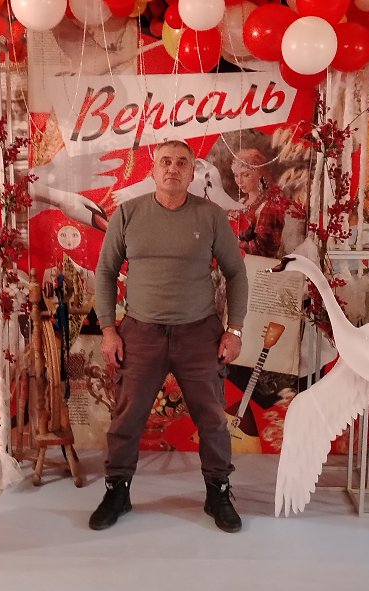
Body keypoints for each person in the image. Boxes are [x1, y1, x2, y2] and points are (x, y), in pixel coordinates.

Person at [90, 139, 248, 533]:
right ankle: (117, 491)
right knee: (126, 417)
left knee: (212, 419)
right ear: (153, 170)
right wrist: (108, 329)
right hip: (141, 333)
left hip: (200, 334)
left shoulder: (211, 216)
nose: (172, 169)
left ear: (193, 172)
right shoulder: (128, 214)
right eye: (165, 162)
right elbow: (105, 272)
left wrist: (234, 330)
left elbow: (236, 273)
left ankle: (218, 492)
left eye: (181, 163)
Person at [231, 148, 287, 258]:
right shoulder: (240, 203)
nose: (239, 181)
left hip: (258, 266)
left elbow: (261, 250)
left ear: (259, 174)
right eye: (236, 175)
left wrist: (229, 244)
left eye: (245, 175)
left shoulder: (269, 206)